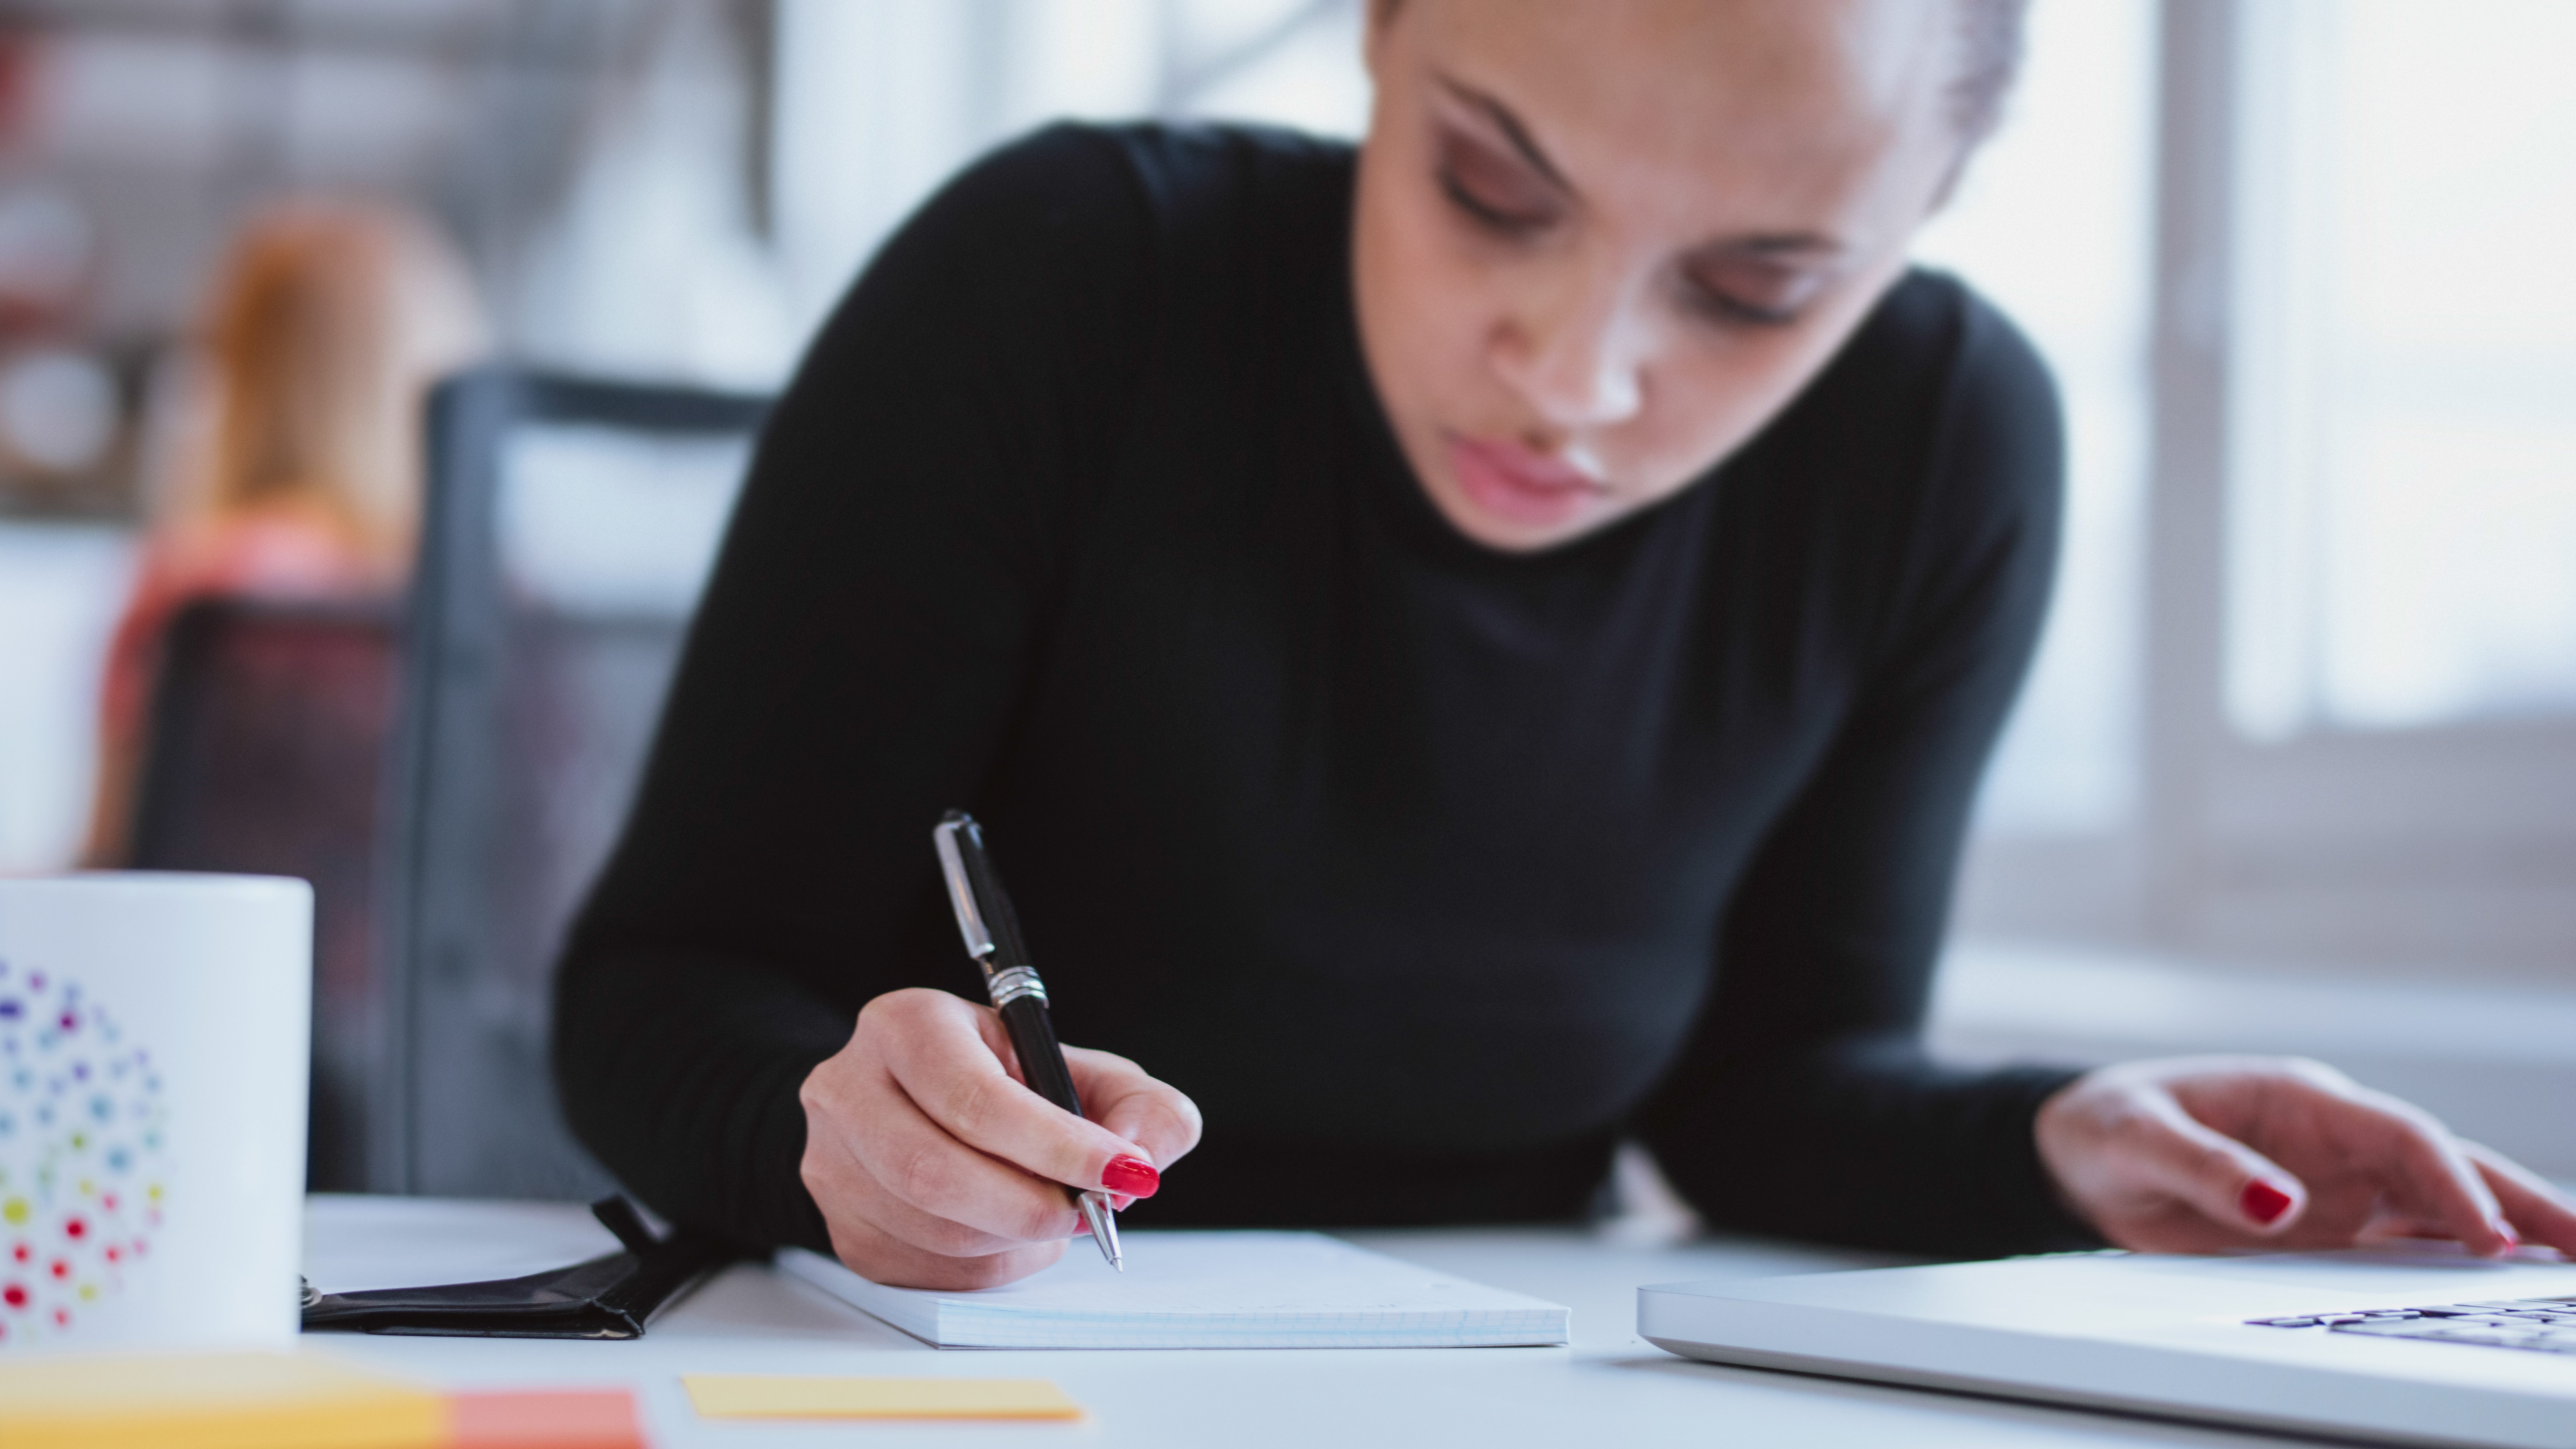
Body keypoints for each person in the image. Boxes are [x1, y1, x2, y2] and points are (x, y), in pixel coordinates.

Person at [555, 0, 2576, 1289]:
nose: (1579, 379)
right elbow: (652, 985)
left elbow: (1764, 1091)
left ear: (1923, 215)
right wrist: (825, 1125)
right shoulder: (1063, 283)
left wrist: (2058, 1137)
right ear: (1376, 35)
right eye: (1494, 187)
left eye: (1761, 286)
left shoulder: (1946, 445)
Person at [83, 201, 486, 864]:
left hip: (222, 969)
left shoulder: (198, 586)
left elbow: (112, 860)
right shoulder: (498, 604)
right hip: (464, 975)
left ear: (238, 372)